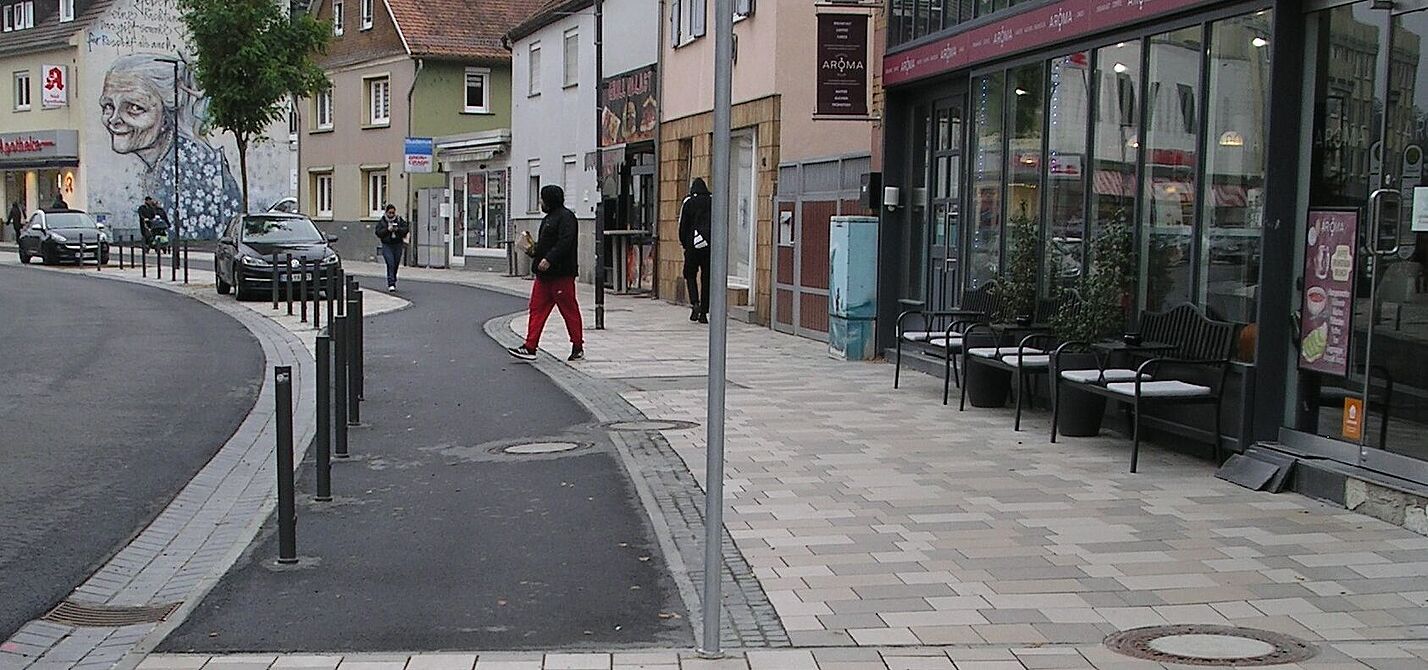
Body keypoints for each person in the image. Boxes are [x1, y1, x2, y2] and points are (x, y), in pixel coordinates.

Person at [100, 54, 241, 239]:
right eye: (108, 106)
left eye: (134, 107)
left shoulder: (194, 170)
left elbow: (198, 233)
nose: (113, 120)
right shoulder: (165, 162)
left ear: (167, 115)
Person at [508, 185, 584, 362]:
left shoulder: (566, 217)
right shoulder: (549, 218)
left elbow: (565, 242)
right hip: (544, 275)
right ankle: (530, 346)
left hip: (561, 274)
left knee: (569, 310)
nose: (540, 202)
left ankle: (577, 346)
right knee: (536, 309)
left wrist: (549, 259)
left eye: (542, 199)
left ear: (550, 199)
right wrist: (532, 249)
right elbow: (546, 244)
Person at [678, 177, 713, 323]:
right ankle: (704, 312)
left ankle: (695, 302)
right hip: (709, 247)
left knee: (690, 274)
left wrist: (684, 243)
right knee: (707, 278)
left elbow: (682, 225)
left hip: (692, 246)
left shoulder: (688, 202)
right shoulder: (712, 201)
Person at [374, 204, 410, 291]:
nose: (391, 215)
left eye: (393, 213)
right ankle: (391, 283)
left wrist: (397, 229)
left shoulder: (399, 220)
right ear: (386, 213)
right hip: (387, 245)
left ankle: (393, 278)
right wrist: (387, 230)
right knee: (390, 263)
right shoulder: (382, 221)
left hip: (397, 244)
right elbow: (378, 232)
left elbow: (406, 229)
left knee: (396, 263)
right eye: (390, 213)